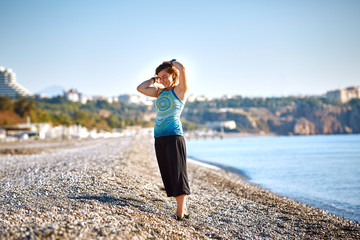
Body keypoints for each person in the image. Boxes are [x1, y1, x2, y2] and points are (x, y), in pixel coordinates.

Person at [136, 59, 190, 220]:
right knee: (168, 173)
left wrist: (172, 61)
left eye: (166, 76)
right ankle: (184, 208)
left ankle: (180, 213)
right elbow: (140, 88)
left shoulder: (181, 90)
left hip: (174, 136)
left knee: (178, 173)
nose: (163, 79)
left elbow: (183, 67)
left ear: (174, 75)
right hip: (159, 137)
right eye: (161, 76)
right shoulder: (159, 92)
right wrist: (154, 80)